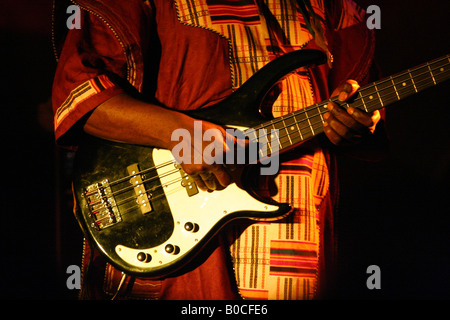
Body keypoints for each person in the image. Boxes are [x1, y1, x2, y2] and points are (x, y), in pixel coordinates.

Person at [52, 0, 388, 300]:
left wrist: (356, 126)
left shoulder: (331, 7)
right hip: (179, 243)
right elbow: (79, 96)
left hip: (300, 247)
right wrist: (181, 132)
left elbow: (363, 114)